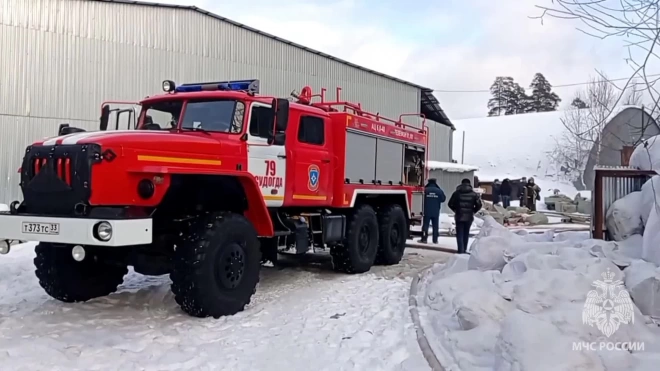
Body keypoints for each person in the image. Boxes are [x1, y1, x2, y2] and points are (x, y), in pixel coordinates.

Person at [448, 178, 482, 254]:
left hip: (459, 216)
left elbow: (450, 204)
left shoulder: (456, 193)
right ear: (469, 184)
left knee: (459, 233)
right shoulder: (474, 194)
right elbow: (479, 205)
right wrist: (473, 211)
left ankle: (460, 250)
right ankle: (464, 249)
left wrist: (455, 210)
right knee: (466, 233)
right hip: (469, 217)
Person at [420, 178, 446, 244]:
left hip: (426, 211)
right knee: (435, 226)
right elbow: (443, 199)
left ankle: (424, 239)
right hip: (436, 211)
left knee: (425, 225)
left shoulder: (425, 190)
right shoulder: (439, 191)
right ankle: (435, 240)